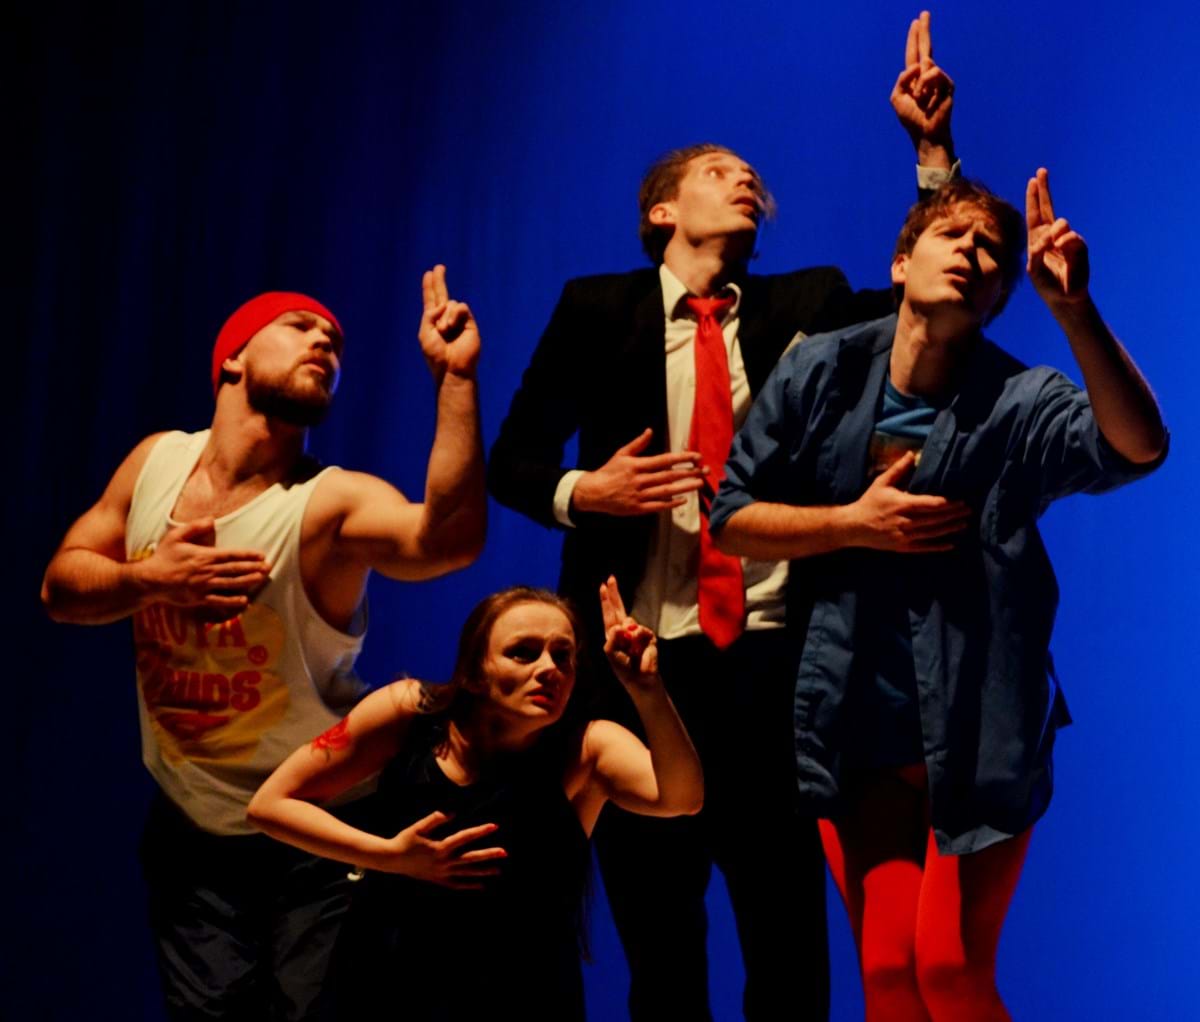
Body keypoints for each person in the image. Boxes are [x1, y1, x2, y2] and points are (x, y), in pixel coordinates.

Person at [487, 13, 959, 1020]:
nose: (745, 181)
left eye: (752, 177)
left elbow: (925, 314)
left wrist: (931, 158)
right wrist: (584, 493)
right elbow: (513, 460)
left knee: (788, 943)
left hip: (772, 658)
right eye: (717, 171)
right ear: (662, 210)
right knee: (661, 949)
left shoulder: (808, 303)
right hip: (637, 662)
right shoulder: (597, 310)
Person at [710, 170, 1166, 1021]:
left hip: (980, 722)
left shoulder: (1018, 398)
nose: (971, 252)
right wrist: (852, 524)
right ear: (900, 261)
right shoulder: (822, 368)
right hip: (859, 720)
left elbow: (1137, 447)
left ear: (997, 298)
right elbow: (730, 517)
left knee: (950, 970)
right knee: (888, 974)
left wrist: (1075, 312)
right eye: (952, 235)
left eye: (990, 251)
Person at [40, 266, 486, 1020]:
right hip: (192, 831)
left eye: (334, 341)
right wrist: (152, 580)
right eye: (300, 327)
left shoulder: (327, 503)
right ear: (233, 359)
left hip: (322, 828)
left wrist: (456, 382)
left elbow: (446, 541)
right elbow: (61, 587)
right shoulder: (157, 462)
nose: (325, 343)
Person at [246, 579, 703, 1021]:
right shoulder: (411, 711)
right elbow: (271, 804)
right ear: (473, 672)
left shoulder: (588, 748)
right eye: (523, 652)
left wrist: (646, 689)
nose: (549, 668)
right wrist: (389, 856)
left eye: (563, 656)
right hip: (394, 980)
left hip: (524, 993)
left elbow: (682, 798)